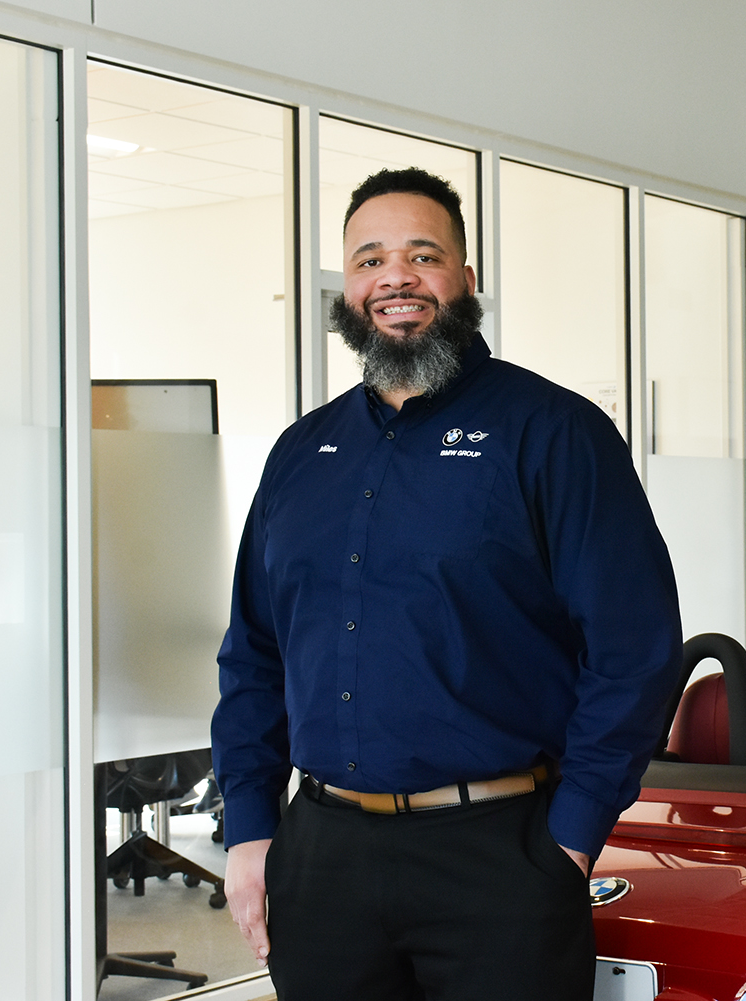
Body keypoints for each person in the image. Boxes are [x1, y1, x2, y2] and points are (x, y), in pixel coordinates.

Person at [211, 166, 684, 1000]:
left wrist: (571, 838)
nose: (395, 277)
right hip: (321, 858)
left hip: (500, 856)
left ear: (465, 278)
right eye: (370, 260)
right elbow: (254, 652)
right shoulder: (301, 453)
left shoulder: (554, 433)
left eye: (421, 255)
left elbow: (633, 650)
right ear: (347, 287)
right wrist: (250, 828)